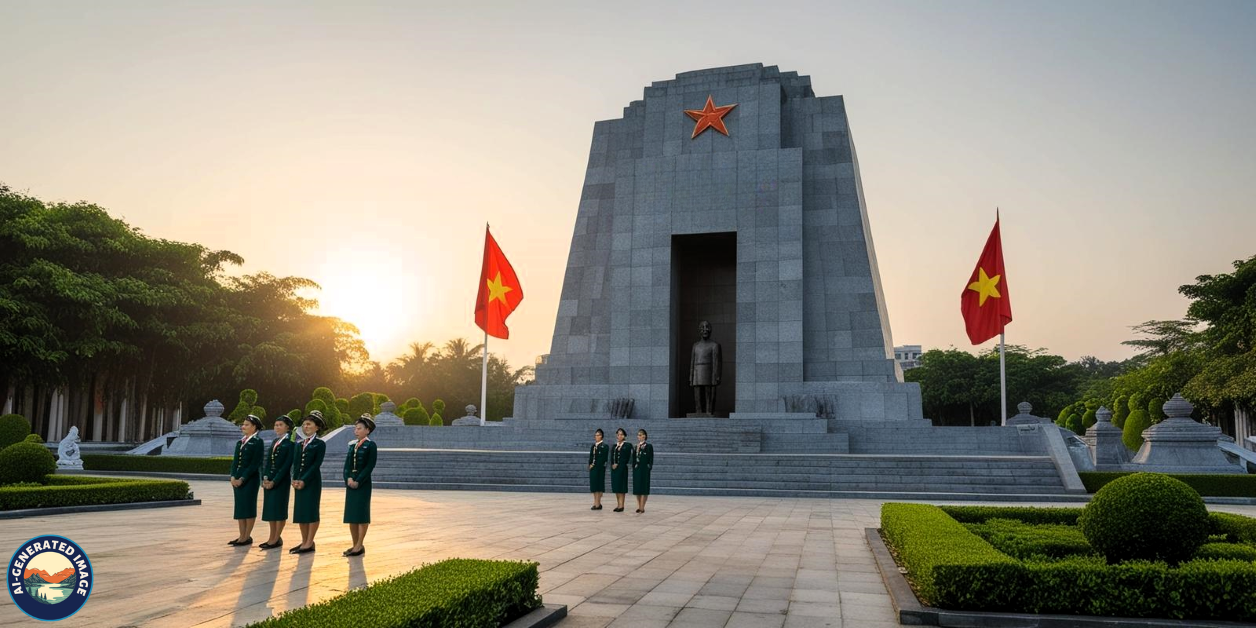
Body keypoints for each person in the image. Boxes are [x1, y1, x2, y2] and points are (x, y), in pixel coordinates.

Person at [290, 410, 326, 554]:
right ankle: (304, 541)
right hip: (299, 482)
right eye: (304, 424)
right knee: (301, 512)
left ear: (317, 427)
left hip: (312, 482)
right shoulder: (299, 444)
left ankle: (310, 542)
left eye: (309, 424)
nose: (305, 427)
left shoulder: (320, 444)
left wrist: (304, 480)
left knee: (311, 512)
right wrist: (294, 478)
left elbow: (316, 465)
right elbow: (296, 463)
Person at [343, 414, 378, 557]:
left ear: (367, 430)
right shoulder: (352, 446)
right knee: (352, 515)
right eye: (355, 428)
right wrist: (348, 479)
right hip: (351, 484)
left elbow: (370, 466)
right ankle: (354, 544)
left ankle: (359, 545)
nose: (356, 431)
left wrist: (358, 480)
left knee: (362, 515)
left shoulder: (371, 445)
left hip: (362, 485)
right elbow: (347, 466)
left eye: (359, 428)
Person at [259, 414, 295, 550]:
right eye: (276, 425)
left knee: (279, 510)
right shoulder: (275, 441)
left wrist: (275, 481)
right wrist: (266, 477)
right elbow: (268, 462)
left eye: (280, 425)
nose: (277, 427)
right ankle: (272, 537)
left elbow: (286, 465)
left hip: (281, 482)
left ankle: (276, 538)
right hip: (270, 481)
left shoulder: (290, 443)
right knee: (270, 511)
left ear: (287, 427)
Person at [228, 414, 264, 547]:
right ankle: (241, 536)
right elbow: (235, 461)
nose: (243, 426)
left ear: (254, 427)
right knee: (240, 508)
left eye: (247, 425)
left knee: (248, 507)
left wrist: (242, 478)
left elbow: (255, 464)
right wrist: (233, 476)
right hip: (237, 479)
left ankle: (247, 536)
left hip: (250, 480)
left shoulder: (257, 442)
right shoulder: (240, 442)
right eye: (243, 424)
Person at [631, 428, 653, 514]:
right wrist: (634, 466)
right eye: (638, 435)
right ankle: (639, 505)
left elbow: (651, 458)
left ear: (644, 436)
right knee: (637, 488)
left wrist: (649, 467)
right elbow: (633, 458)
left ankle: (642, 507)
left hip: (644, 470)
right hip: (637, 469)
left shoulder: (648, 446)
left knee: (644, 488)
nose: (639, 436)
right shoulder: (636, 446)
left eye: (640, 435)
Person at [609, 428, 631, 512]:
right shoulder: (615, 446)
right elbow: (611, 457)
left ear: (624, 436)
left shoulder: (627, 445)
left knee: (621, 487)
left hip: (622, 469)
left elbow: (627, 457)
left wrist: (618, 464)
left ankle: (621, 505)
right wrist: (612, 465)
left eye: (621, 434)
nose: (619, 436)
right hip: (614, 469)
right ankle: (618, 504)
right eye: (618, 434)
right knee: (616, 487)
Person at [588, 429, 608, 510]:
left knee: (599, 486)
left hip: (599, 469)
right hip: (593, 469)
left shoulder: (604, 446)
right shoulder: (593, 446)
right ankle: (596, 503)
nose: (597, 436)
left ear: (602, 436)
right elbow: (591, 457)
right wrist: (590, 464)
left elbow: (603, 458)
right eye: (596, 435)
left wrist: (595, 465)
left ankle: (598, 503)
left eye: (598, 435)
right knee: (594, 486)